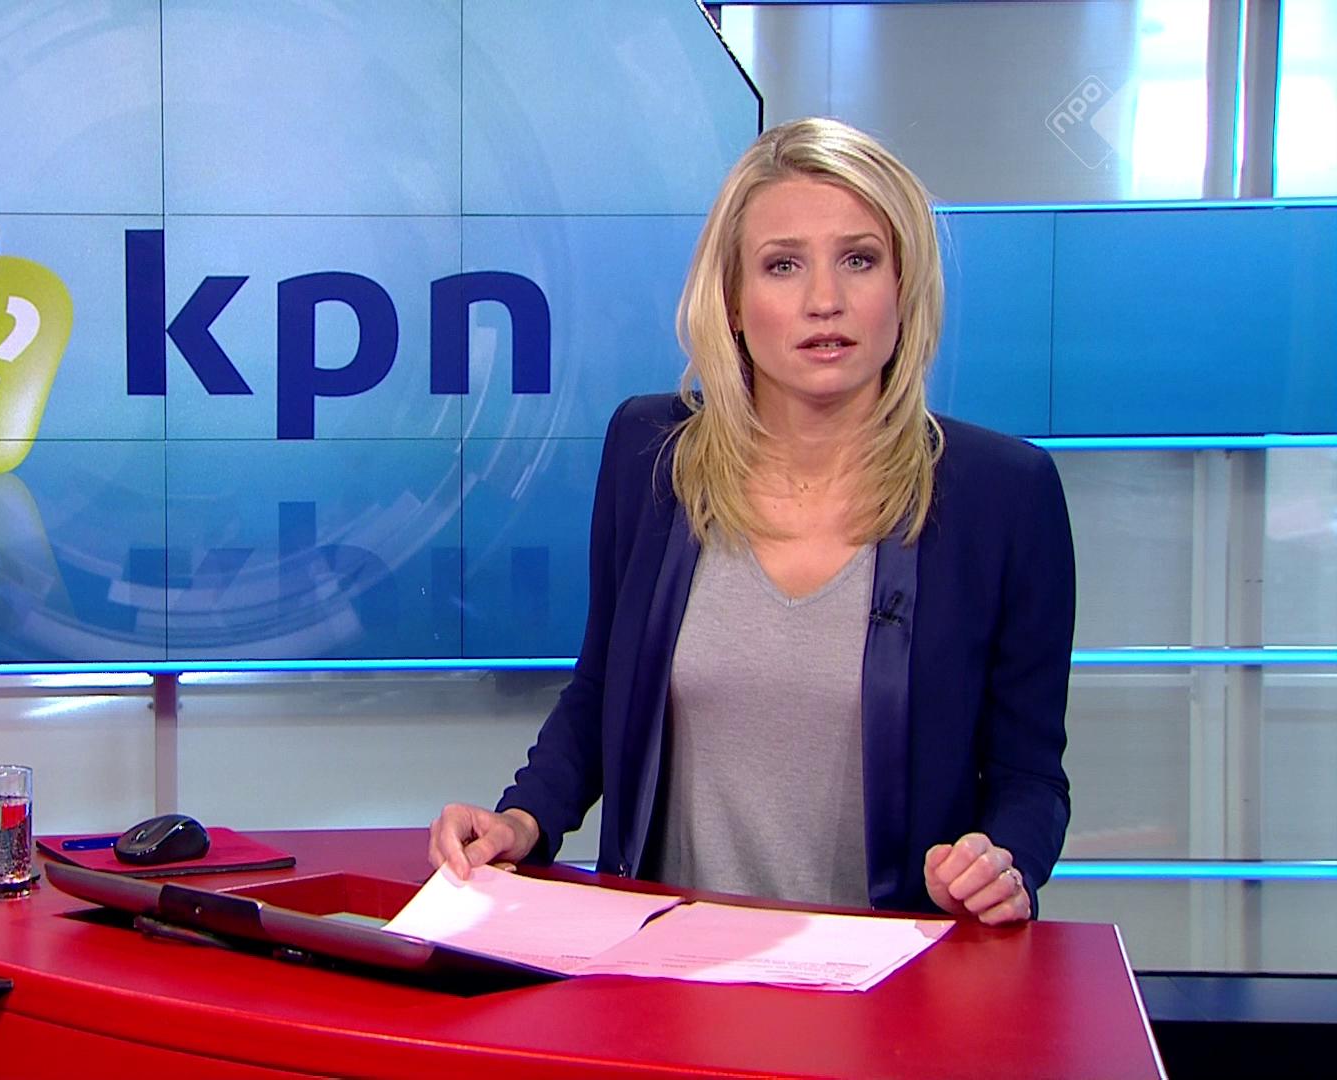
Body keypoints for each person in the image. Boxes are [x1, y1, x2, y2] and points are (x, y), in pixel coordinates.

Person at [429, 118, 1074, 926]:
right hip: (669, 967)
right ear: (733, 300)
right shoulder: (650, 455)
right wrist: (523, 820)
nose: (824, 301)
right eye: (782, 265)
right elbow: (602, 693)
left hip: (887, 976)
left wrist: (1001, 861)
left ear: (904, 287)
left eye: (859, 259)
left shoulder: (1003, 495)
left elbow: (1030, 778)